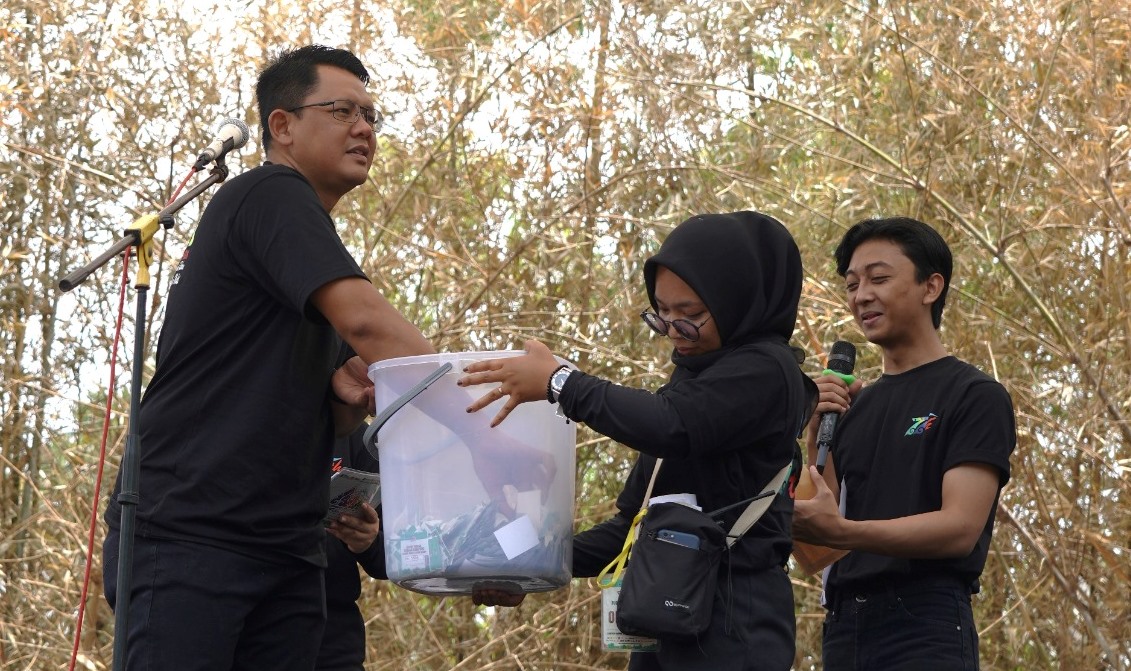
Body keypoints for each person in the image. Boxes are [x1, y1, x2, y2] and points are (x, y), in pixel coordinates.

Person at [102, 45, 435, 671]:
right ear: (281, 126)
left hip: (289, 548)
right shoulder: (267, 195)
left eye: (371, 116)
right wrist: (484, 403)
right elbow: (368, 321)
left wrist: (345, 400)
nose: (364, 128)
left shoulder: (312, 245)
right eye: (342, 110)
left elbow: (332, 417)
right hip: (193, 533)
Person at [458, 211, 817, 671]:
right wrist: (527, 566)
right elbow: (629, 531)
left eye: (689, 317)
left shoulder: (765, 372)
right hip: (665, 623)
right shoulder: (691, 385)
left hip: (733, 630)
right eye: (661, 314)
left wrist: (560, 383)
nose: (672, 331)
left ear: (738, 302)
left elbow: (670, 424)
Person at [792, 217, 1016, 671]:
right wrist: (817, 434)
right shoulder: (851, 409)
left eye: (878, 278)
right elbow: (817, 550)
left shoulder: (972, 394)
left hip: (924, 624)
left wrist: (848, 533)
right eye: (852, 284)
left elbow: (959, 529)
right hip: (843, 627)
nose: (861, 296)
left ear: (931, 287)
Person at [319, 424, 385, 671]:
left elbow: (390, 556)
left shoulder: (355, 434)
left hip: (331, 632)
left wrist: (367, 541)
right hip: (247, 619)